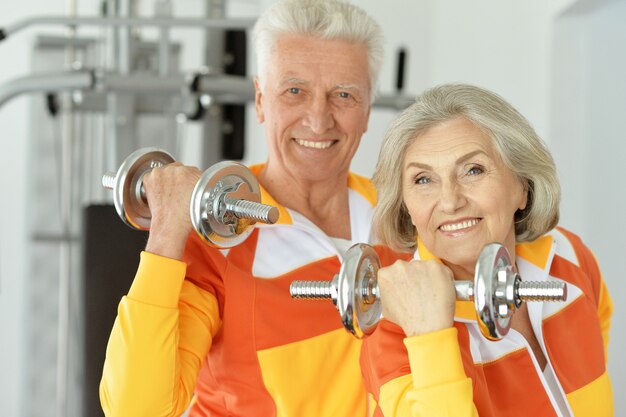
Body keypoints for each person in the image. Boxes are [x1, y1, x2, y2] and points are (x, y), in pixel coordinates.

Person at [99, 1, 408, 416]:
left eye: (344, 95)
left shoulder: (401, 223)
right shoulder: (217, 240)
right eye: (294, 91)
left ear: (368, 109)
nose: (319, 120)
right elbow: (137, 409)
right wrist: (167, 234)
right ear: (261, 100)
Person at [360, 83, 614, 416]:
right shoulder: (392, 333)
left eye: (473, 170)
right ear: (405, 205)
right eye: (423, 179)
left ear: (522, 187)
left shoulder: (569, 256)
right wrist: (430, 337)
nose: (450, 201)